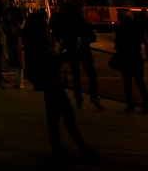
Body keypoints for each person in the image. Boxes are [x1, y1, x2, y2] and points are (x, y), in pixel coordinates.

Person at [23, 8, 97, 160]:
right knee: (64, 116)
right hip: (52, 82)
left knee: (56, 116)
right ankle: (77, 147)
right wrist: (68, 56)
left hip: (50, 82)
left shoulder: (34, 43)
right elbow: (51, 62)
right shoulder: (40, 44)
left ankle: (65, 147)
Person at [52, 0, 103, 110]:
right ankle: (93, 95)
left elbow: (65, 36)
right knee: (91, 74)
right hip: (84, 51)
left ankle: (78, 98)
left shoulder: (69, 23)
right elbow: (93, 38)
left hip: (72, 51)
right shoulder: (84, 23)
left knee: (76, 75)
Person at [110, 11, 148, 112]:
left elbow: (118, 46)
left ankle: (130, 104)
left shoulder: (121, 31)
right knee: (140, 82)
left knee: (127, 83)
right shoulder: (135, 31)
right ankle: (146, 105)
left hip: (126, 58)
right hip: (136, 58)